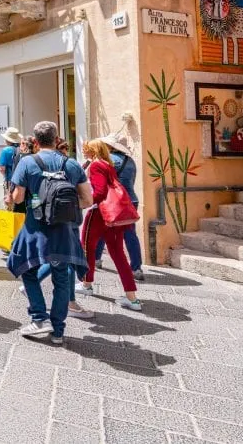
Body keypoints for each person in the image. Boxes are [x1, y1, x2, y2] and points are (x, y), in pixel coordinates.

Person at [8, 121, 92, 344]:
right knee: (61, 278)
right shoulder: (71, 164)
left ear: (35, 141)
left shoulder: (27, 162)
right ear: (57, 139)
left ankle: (38, 318)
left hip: (35, 227)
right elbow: (88, 199)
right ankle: (58, 330)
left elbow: (17, 198)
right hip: (64, 229)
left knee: (27, 269)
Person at [77, 139, 143, 310]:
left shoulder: (97, 165)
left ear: (93, 150)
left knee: (87, 247)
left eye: (86, 149)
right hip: (114, 215)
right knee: (118, 253)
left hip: (99, 212)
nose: (84, 152)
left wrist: (86, 202)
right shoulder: (109, 164)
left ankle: (86, 284)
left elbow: (100, 191)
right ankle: (132, 297)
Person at [94, 133, 144, 280]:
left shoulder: (108, 161)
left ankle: (96, 259)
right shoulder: (131, 161)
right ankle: (136, 267)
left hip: (114, 201)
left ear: (110, 146)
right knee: (130, 235)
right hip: (131, 200)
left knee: (103, 229)